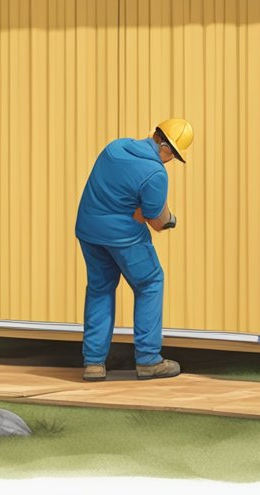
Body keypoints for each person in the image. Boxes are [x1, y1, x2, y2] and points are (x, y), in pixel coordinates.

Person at [74, 118, 194, 382]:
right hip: (124, 237)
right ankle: (149, 360)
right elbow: (156, 220)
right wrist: (169, 218)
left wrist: (141, 210)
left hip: (89, 231)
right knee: (150, 282)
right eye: (174, 155)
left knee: (100, 288)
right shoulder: (155, 173)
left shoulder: (115, 147)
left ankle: (93, 364)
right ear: (166, 148)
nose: (171, 160)